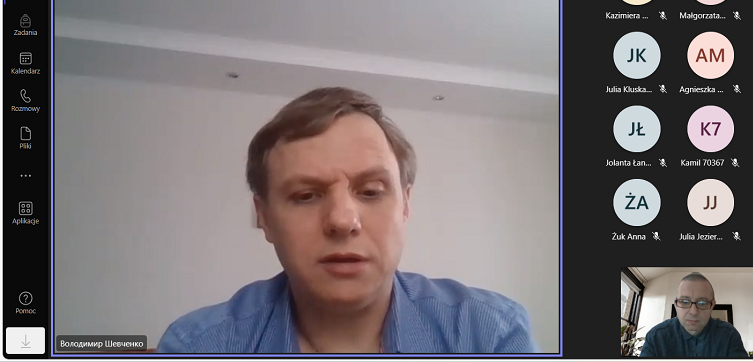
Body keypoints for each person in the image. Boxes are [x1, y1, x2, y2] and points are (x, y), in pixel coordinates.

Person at [156, 87, 538, 354]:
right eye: (306, 195)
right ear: (265, 216)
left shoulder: (490, 335)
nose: (342, 220)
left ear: (405, 205)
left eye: (370, 191)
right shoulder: (196, 347)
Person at [639, 272, 748, 358]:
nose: (694, 312)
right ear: (676, 305)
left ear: (712, 306)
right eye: (685, 302)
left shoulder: (729, 335)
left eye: (702, 303)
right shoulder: (656, 337)